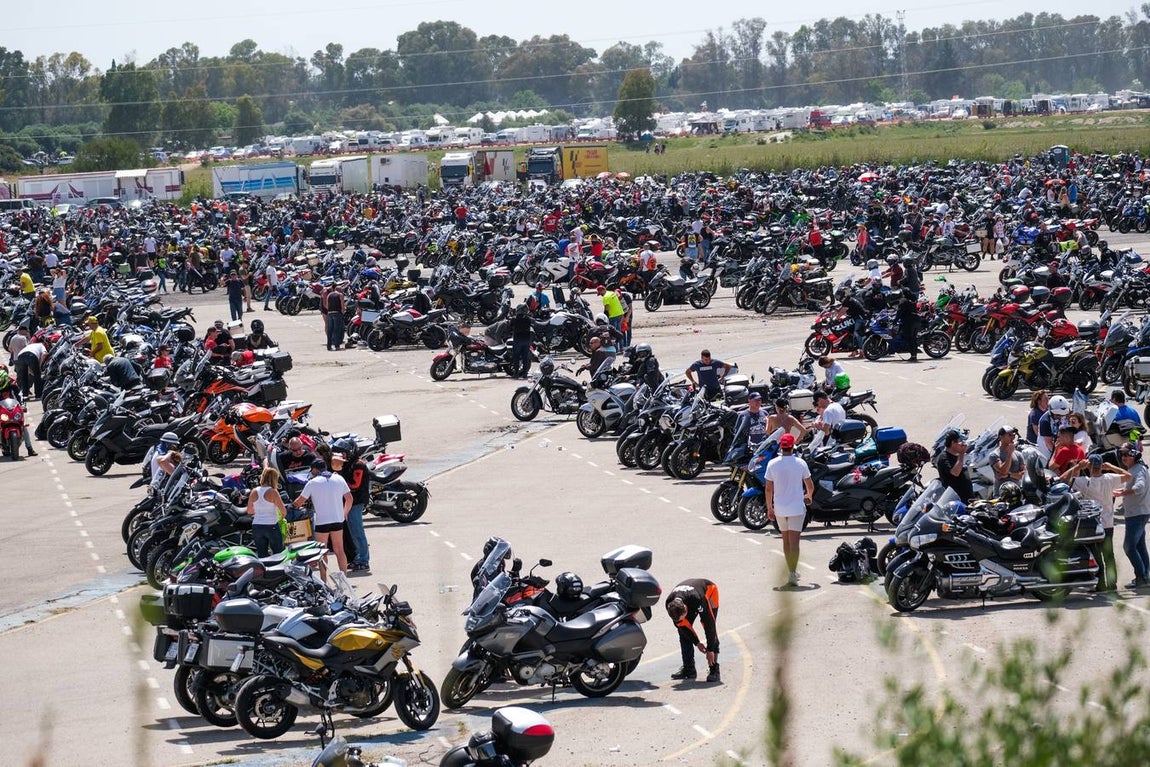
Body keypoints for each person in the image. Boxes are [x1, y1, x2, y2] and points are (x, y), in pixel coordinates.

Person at [1069, 454, 1128, 592]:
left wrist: (1078, 466)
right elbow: (1128, 476)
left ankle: (1101, 583)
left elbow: (1066, 480)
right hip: (1108, 524)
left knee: (1096, 556)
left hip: (1094, 524)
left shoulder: (1085, 482)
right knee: (1109, 556)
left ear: (1089, 466)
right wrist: (1111, 467)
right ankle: (1112, 584)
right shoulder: (1109, 479)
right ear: (1101, 466)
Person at [765, 433, 814, 587]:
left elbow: (768, 489)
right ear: (793, 447)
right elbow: (810, 484)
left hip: (780, 508)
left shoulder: (772, 464)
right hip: (796, 508)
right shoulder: (800, 463)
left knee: (785, 541)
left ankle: (790, 571)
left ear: (781, 446)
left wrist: (769, 508)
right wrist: (809, 495)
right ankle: (793, 572)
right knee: (795, 542)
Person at [293, 458, 353, 578]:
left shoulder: (312, 482)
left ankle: (324, 580)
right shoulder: (339, 478)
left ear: (315, 469)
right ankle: (344, 578)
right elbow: (349, 498)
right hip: (337, 520)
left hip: (322, 522)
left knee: (322, 551)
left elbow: (300, 501)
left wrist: (292, 505)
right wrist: (344, 514)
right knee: (339, 550)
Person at [665, 579, 721, 683]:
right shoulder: (669, 603)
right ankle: (689, 669)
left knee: (711, 628)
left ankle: (714, 670)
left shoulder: (697, 599)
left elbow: (709, 625)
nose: (681, 621)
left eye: (683, 617)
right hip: (688, 599)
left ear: (686, 609)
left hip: (709, 592)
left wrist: (710, 649)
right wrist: (697, 643)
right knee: (683, 632)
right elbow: (682, 626)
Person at [1115, 442, 1150, 589]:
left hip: (1137, 514)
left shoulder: (1139, 470)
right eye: (1121, 455)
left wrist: (1123, 493)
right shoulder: (1135, 469)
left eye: (1125, 455)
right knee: (1140, 546)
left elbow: (1139, 488)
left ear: (1133, 455)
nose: (1123, 457)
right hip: (1136, 513)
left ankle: (1141, 577)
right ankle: (1144, 576)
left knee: (1129, 547)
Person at [333, 445, 371, 574]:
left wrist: (339, 480)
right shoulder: (349, 464)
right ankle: (359, 557)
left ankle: (364, 561)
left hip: (356, 502)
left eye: (343, 453)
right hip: (350, 502)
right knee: (353, 533)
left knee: (358, 532)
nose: (342, 456)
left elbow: (355, 484)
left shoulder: (358, 465)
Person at [247, 466, 288, 557]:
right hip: (271, 525)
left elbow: (249, 511)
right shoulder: (273, 492)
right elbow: (284, 511)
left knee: (262, 554)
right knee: (278, 553)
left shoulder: (254, 491)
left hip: (257, 525)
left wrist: (260, 510)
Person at [936, 430, 974, 502]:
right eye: (961, 441)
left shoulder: (956, 456)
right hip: (955, 503)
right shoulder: (944, 458)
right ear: (953, 443)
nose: (963, 444)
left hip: (967, 500)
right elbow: (955, 472)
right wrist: (962, 453)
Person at [1036, 394, 1071, 462]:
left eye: (1062, 414)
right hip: (1047, 452)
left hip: (1059, 447)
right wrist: (1058, 454)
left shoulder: (1064, 415)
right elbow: (1048, 442)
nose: (1060, 417)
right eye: (1057, 415)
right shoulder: (1045, 421)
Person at [990, 426, 1025, 492]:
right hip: (1001, 494)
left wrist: (1009, 475)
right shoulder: (994, 455)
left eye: (1013, 435)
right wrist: (1009, 454)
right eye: (1009, 435)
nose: (1012, 437)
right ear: (1001, 437)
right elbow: (1003, 471)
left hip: (1017, 493)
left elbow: (1023, 474)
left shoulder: (1018, 454)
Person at [509, 304, 534, 379]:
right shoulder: (528, 319)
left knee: (516, 357)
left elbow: (510, 327)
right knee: (525, 357)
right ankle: (525, 373)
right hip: (526, 340)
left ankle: (516, 373)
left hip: (517, 340)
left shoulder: (514, 319)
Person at [896, 290, 919, 362]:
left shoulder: (903, 301)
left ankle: (913, 356)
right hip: (916, 320)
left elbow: (899, 312)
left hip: (908, 322)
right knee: (913, 338)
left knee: (909, 339)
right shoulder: (912, 300)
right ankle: (914, 355)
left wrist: (895, 321)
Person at [325, 282, 347, 351]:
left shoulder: (329, 295)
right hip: (337, 313)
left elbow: (327, 305)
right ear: (339, 290)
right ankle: (337, 346)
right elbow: (342, 306)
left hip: (330, 313)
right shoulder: (340, 295)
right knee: (337, 330)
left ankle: (329, 346)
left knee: (330, 330)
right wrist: (343, 312)